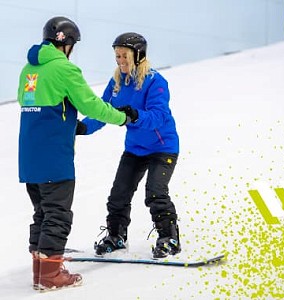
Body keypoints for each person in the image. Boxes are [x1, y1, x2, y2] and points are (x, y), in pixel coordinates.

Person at [17, 17, 136, 291]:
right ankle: (50, 277)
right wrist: (121, 118)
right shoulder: (64, 69)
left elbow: (28, 103)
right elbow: (90, 105)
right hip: (54, 155)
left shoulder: (28, 70)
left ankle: (41, 269)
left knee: (42, 213)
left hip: (29, 155)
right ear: (66, 43)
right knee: (57, 214)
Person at [77, 32, 181, 259]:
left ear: (138, 54)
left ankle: (169, 238)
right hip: (135, 148)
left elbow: (159, 116)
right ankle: (116, 236)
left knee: (155, 192)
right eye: (117, 56)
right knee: (118, 195)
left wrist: (135, 115)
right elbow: (102, 111)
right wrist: (83, 128)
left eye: (125, 56)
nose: (121, 61)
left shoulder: (155, 81)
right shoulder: (116, 83)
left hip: (162, 148)